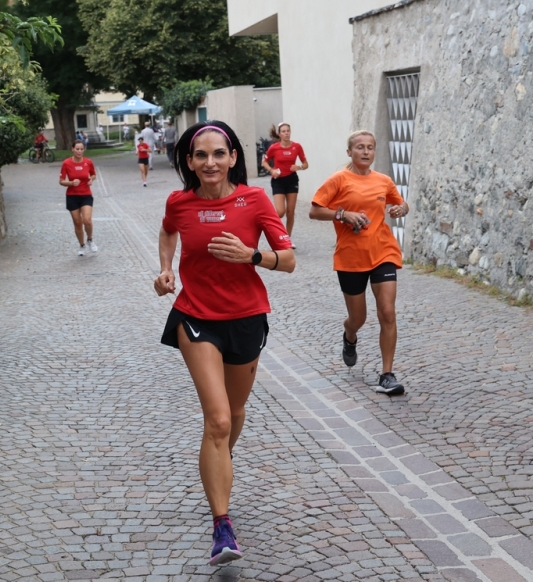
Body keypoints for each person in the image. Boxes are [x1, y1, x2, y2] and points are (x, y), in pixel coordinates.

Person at [154, 121, 295, 566]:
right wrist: (166, 270)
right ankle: (222, 527)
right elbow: (168, 231)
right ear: (190, 162)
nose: (210, 162)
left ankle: (218, 463)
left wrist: (254, 256)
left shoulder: (253, 201)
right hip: (195, 316)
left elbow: (289, 261)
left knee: (233, 414)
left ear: (234, 157)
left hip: (247, 318)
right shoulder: (179, 202)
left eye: (219, 154)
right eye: (201, 155)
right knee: (216, 419)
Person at [309, 130, 409, 396]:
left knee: (387, 312)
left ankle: (387, 375)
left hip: (383, 252)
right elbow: (315, 210)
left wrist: (401, 209)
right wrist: (343, 214)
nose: (366, 152)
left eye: (370, 148)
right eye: (360, 148)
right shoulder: (339, 180)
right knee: (358, 318)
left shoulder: (384, 180)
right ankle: (349, 333)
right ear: (349, 152)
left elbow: (401, 204)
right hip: (351, 257)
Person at [261, 122, 308, 248]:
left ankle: (287, 238)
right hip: (278, 180)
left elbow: (305, 164)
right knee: (280, 212)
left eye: (288, 131)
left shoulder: (297, 147)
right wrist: (272, 171)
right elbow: (264, 162)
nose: (286, 133)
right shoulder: (274, 148)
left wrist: (299, 167)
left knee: (290, 211)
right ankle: (275, 233)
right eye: (283, 131)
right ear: (279, 134)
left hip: (292, 180)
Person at [59, 140, 98, 256]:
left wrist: (91, 179)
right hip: (72, 196)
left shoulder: (88, 162)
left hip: (86, 194)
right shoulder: (66, 163)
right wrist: (71, 183)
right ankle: (82, 245)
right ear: (72, 149)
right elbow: (61, 181)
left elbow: (93, 174)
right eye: (77, 149)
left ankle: (90, 239)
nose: (79, 151)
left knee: (87, 220)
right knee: (77, 222)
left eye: (81, 149)